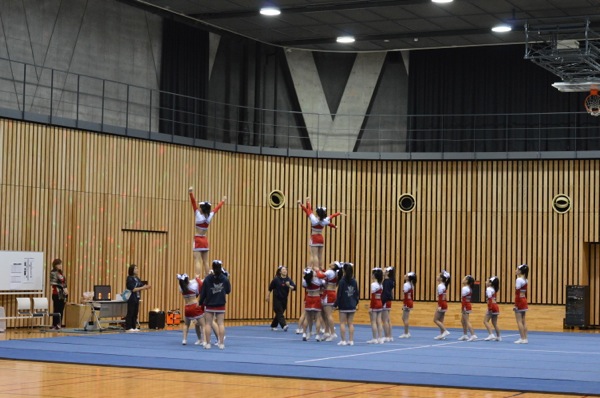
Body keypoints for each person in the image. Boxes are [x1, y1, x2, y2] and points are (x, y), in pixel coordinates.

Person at [189, 187, 226, 276]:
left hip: (198, 239)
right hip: (205, 240)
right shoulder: (210, 216)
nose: (199, 208)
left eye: (200, 207)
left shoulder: (198, 215)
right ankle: (207, 277)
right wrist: (223, 201)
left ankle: (197, 277)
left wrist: (191, 193)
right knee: (205, 261)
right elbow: (217, 208)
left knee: (197, 260)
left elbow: (193, 203)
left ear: (202, 208)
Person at [297, 197, 342, 269]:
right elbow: (332, 217)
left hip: (314, 237)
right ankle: (320, 267)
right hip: (321, 238)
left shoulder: (313, 219)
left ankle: (313, 268)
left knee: (313, 255)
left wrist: (301, 204)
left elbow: (307, 211)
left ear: (317, 213)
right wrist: (335, 225)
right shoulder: (325, 220)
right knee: (320, 255)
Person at [199, 260, 231, 349]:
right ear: (221, 268)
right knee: (220, 324)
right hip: (220, 303)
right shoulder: (224, 278)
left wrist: (200, 302)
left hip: (210, 303)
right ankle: (221, 344)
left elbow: (203, 292)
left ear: (212, 267)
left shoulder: (208, 278)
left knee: (208, 324)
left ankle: (208, 344)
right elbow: (228, 291)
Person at [334, 262, 359, 346]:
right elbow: (356, 293)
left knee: (342, 323)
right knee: (350, 323)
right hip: (352, 304)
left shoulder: (342, 281)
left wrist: (335, 304)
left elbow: (339, 294)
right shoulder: (354, 281)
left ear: (343, 270)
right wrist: (356, 302)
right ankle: (351, 340)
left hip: (344, 305)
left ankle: (343, 340)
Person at [265, 265, 296, 331]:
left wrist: (289, 286)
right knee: (279, 312)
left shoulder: (288, 279)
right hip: (277, 299)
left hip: (284, 299)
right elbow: (270, 288)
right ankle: (284, 325)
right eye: (283, 270)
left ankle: (273, 325)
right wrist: (267, 296)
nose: (285, 271)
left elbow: (294, 288)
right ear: (280, 272)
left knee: (280, 312)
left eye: (286, 270)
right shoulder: (276, 279)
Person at [177, 273, 204, 346]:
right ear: (187, 279)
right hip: (195, 306)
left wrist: (194, 279)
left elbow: (187, 283)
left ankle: (184, 339)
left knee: (186, 324)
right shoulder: (193, 286)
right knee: (203, 325)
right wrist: (197, 278)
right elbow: (201, 285)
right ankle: (204, 340)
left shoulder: (181, 287)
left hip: (187, 307)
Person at [125, 264, 151, 332]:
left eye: (137, 268)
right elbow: (132, 289)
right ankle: (128, 327)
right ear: (132, 270)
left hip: (137, 297)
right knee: (130, 312)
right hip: (131, 297)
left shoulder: (137, 278)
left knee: (135, 312)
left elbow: (141, 285)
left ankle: (134, 326)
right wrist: (143, 287)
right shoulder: (129, 278)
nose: (137, 270)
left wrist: (146, 287)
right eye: (135, 268)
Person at [301, 267, 324, 341]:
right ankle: (317, 335)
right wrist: (318, 272)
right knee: (317, 318)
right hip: (316, 298)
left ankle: (304, 333)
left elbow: (304, 283)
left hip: (309, 298)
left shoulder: (305, 281)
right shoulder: (318, 280)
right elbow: (324, 282)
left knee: (307, 318)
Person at [321, 261, 342, 341]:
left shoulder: (330, 272)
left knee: (328, 314)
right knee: (324, 313)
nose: (330, 263)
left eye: (333, 263)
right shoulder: (333, 273)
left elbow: (320, 276)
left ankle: (333, 333)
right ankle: (326, 332)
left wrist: (316, 270)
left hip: (329, 294)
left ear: (334, 267)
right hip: (330, 293)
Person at [49, 258, 68, 330]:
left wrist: (65, 288)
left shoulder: (61, 273)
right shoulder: (53, 272)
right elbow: (54, 283)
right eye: (58, 264)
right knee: (56, 309)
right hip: (56, 293)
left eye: (60, 264)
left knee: (61, 309)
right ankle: (54, 324)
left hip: (62, 294)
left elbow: (64, 282)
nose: (60, 266)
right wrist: (63, 287)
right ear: (55, 265)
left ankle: (59, 323)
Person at [367, 268, 384, 344]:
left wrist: (371, 307)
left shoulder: (373, 284)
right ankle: (380, 338)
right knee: (379, 321)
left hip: (375, 303)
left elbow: (373, 297)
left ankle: (374, 338)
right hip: (380, 303)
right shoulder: (380, 285)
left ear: (374, 275)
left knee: (373, 322)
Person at [458, 275, 477, 341]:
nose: (463, 280)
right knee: (463, 321)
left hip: (466, 305)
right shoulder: (468, 288)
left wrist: (463, 308)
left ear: (467, 281)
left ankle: (473, 335)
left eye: (464, 279)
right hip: (467, 305)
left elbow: (464, 299)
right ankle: (465, 335)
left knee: (466, 321)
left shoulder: (465, 288)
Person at [514, 264, 529, 344]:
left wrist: (516, 304)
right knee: (523, 321)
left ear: (520, 271)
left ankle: (522, 338)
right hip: (524, 300)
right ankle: (525, 338)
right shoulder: (526, 280)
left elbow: (517, 293)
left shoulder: (519, 280)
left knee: (519, 321)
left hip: (520, 300)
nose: (516, 270)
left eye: (517, 269)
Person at [433, 270, 451, 340]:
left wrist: (439, 306)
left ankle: (445, 331)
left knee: (435, 320)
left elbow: (440, 297)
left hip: (442, 303)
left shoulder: (440, 286)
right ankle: (442, 335)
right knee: (440, 320)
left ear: (441, 278)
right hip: (444, 303)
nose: (437, 276)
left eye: (438, 275)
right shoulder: (443, 285)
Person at [398, 271, 416, 338]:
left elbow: (405, 295)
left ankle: (406, 333)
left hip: (407, 301)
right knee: (404, 318)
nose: (405, 275)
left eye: (406, 275)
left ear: (408, 278)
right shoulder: (411, 284)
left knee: (405, 318)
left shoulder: (406, 284)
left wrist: (404, 304)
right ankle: (407, 332)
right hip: (410, 301)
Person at [483, 276, 501, 341]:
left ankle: (491, 334)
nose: (486, 282)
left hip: (492, 306)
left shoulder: (488, 289)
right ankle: (498, 336)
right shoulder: (493, 289)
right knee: (494, 323)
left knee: (485, 321)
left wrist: (490, 308)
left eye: (487, 281)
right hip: (496, 306)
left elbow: (490, 299)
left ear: (490, 283)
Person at [381, 267, 396, 342]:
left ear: (387, 273)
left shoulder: (386, 281)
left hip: (385, 301)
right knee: (388, 319)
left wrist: (382, 302)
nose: (382, 272)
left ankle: (387, 336)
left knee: (385, 320)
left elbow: (385, 293)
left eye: (384, 271)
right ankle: (390, 336)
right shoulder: (391, 281)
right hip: (389, 301)